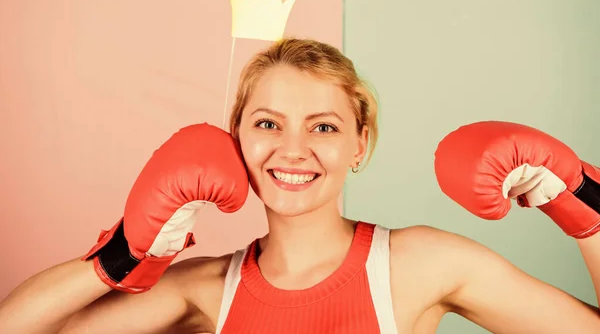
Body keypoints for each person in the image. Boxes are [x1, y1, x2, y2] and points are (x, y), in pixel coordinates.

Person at [1, 38, 599, 334]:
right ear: (236, 136)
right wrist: (123, 253)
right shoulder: (207, 288)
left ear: (359, 145)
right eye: (267, 124)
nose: (293, 149)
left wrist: (583, 202)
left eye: (324, 126)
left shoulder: (420, 264)